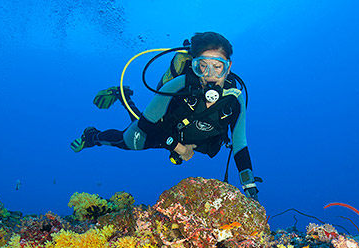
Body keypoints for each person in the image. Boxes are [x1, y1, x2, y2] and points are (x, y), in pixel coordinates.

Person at [70, 31, 259, 201]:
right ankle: (92, 136)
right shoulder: (178, 85)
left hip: (193, 140)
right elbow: (146, 124)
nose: (210, 75)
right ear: (194, 65)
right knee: (128, 141)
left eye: (218, 67)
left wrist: (249, 184)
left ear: (228, 67)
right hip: (161, 131)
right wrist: (179, 148)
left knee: (137, 120)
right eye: (202, 66)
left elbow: (239, 143)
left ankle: (124, 96)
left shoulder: (235, 99)